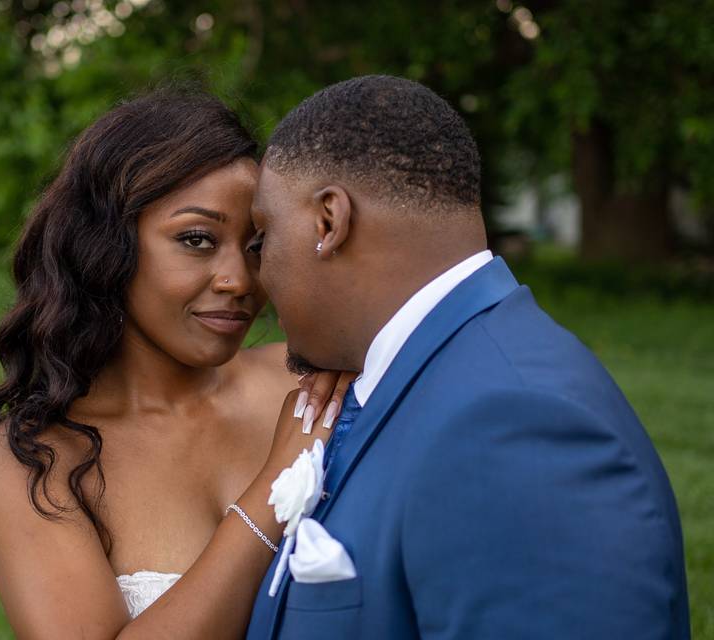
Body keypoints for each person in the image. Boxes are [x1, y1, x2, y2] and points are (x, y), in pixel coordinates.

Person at [245, 75, 690, 639]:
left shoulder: (516, 426)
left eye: (262, 238)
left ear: (329, 222)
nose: (257, 277)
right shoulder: (426, 377)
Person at [0, 89, 352, 639]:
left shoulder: (313, 382)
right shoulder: (38, 460)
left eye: (256, 246)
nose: (238, 280)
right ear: (108, 246)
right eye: (196, 239)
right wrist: (275, 493)